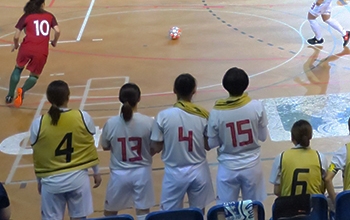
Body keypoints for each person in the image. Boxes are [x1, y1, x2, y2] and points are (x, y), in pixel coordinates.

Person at [31, 80, 101, 220]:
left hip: (51, 182)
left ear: (49, 99)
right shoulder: (82, 117)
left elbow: (38, 154)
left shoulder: (38, 123)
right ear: (68, 97)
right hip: (78, 179)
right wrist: (96, 172)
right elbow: (88, 145)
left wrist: (39, 180)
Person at [151, 74, 215, 212]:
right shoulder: (203, 115)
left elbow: (156, 146)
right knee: (198, 212)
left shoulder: (163, 116)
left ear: (174, 90)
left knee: (170, 214)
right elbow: (208, 145)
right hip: (199, 169)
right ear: (194, 91)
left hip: (174, 173)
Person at [207, 67, 269, 204]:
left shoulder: (217, 111)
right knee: (254, 209)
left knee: (226, 210)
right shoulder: (257, 106)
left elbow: (211, 143)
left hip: (227, 167)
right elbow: (263, 137)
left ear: (225, 86)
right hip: (252, 166)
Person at [101, 83, 155, 220]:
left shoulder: (111, 123)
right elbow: (155, 146)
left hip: (119, 174)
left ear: (120, 99)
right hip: (142, 173)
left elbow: (105, 146)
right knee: (143, 212)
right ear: (139, 98)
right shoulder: (148, 122)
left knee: (110, 213)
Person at [6, 0, 60, 107]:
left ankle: (10, 95)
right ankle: (22, 90)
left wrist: (16, 45)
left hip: (26, 47)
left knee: (18, 68)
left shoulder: (26, 16)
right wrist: (54, 41)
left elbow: (16, 36)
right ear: (43, 4)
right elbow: (57, 31)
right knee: (34, 76)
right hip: (41, 50)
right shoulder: (49, 16)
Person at [270, 120, 328, 197]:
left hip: (289, 207)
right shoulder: (320, 157)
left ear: (292, 138)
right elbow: (324, 187)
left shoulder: (281, 157)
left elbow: (277, 191)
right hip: (314, 207)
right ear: (310, 136)